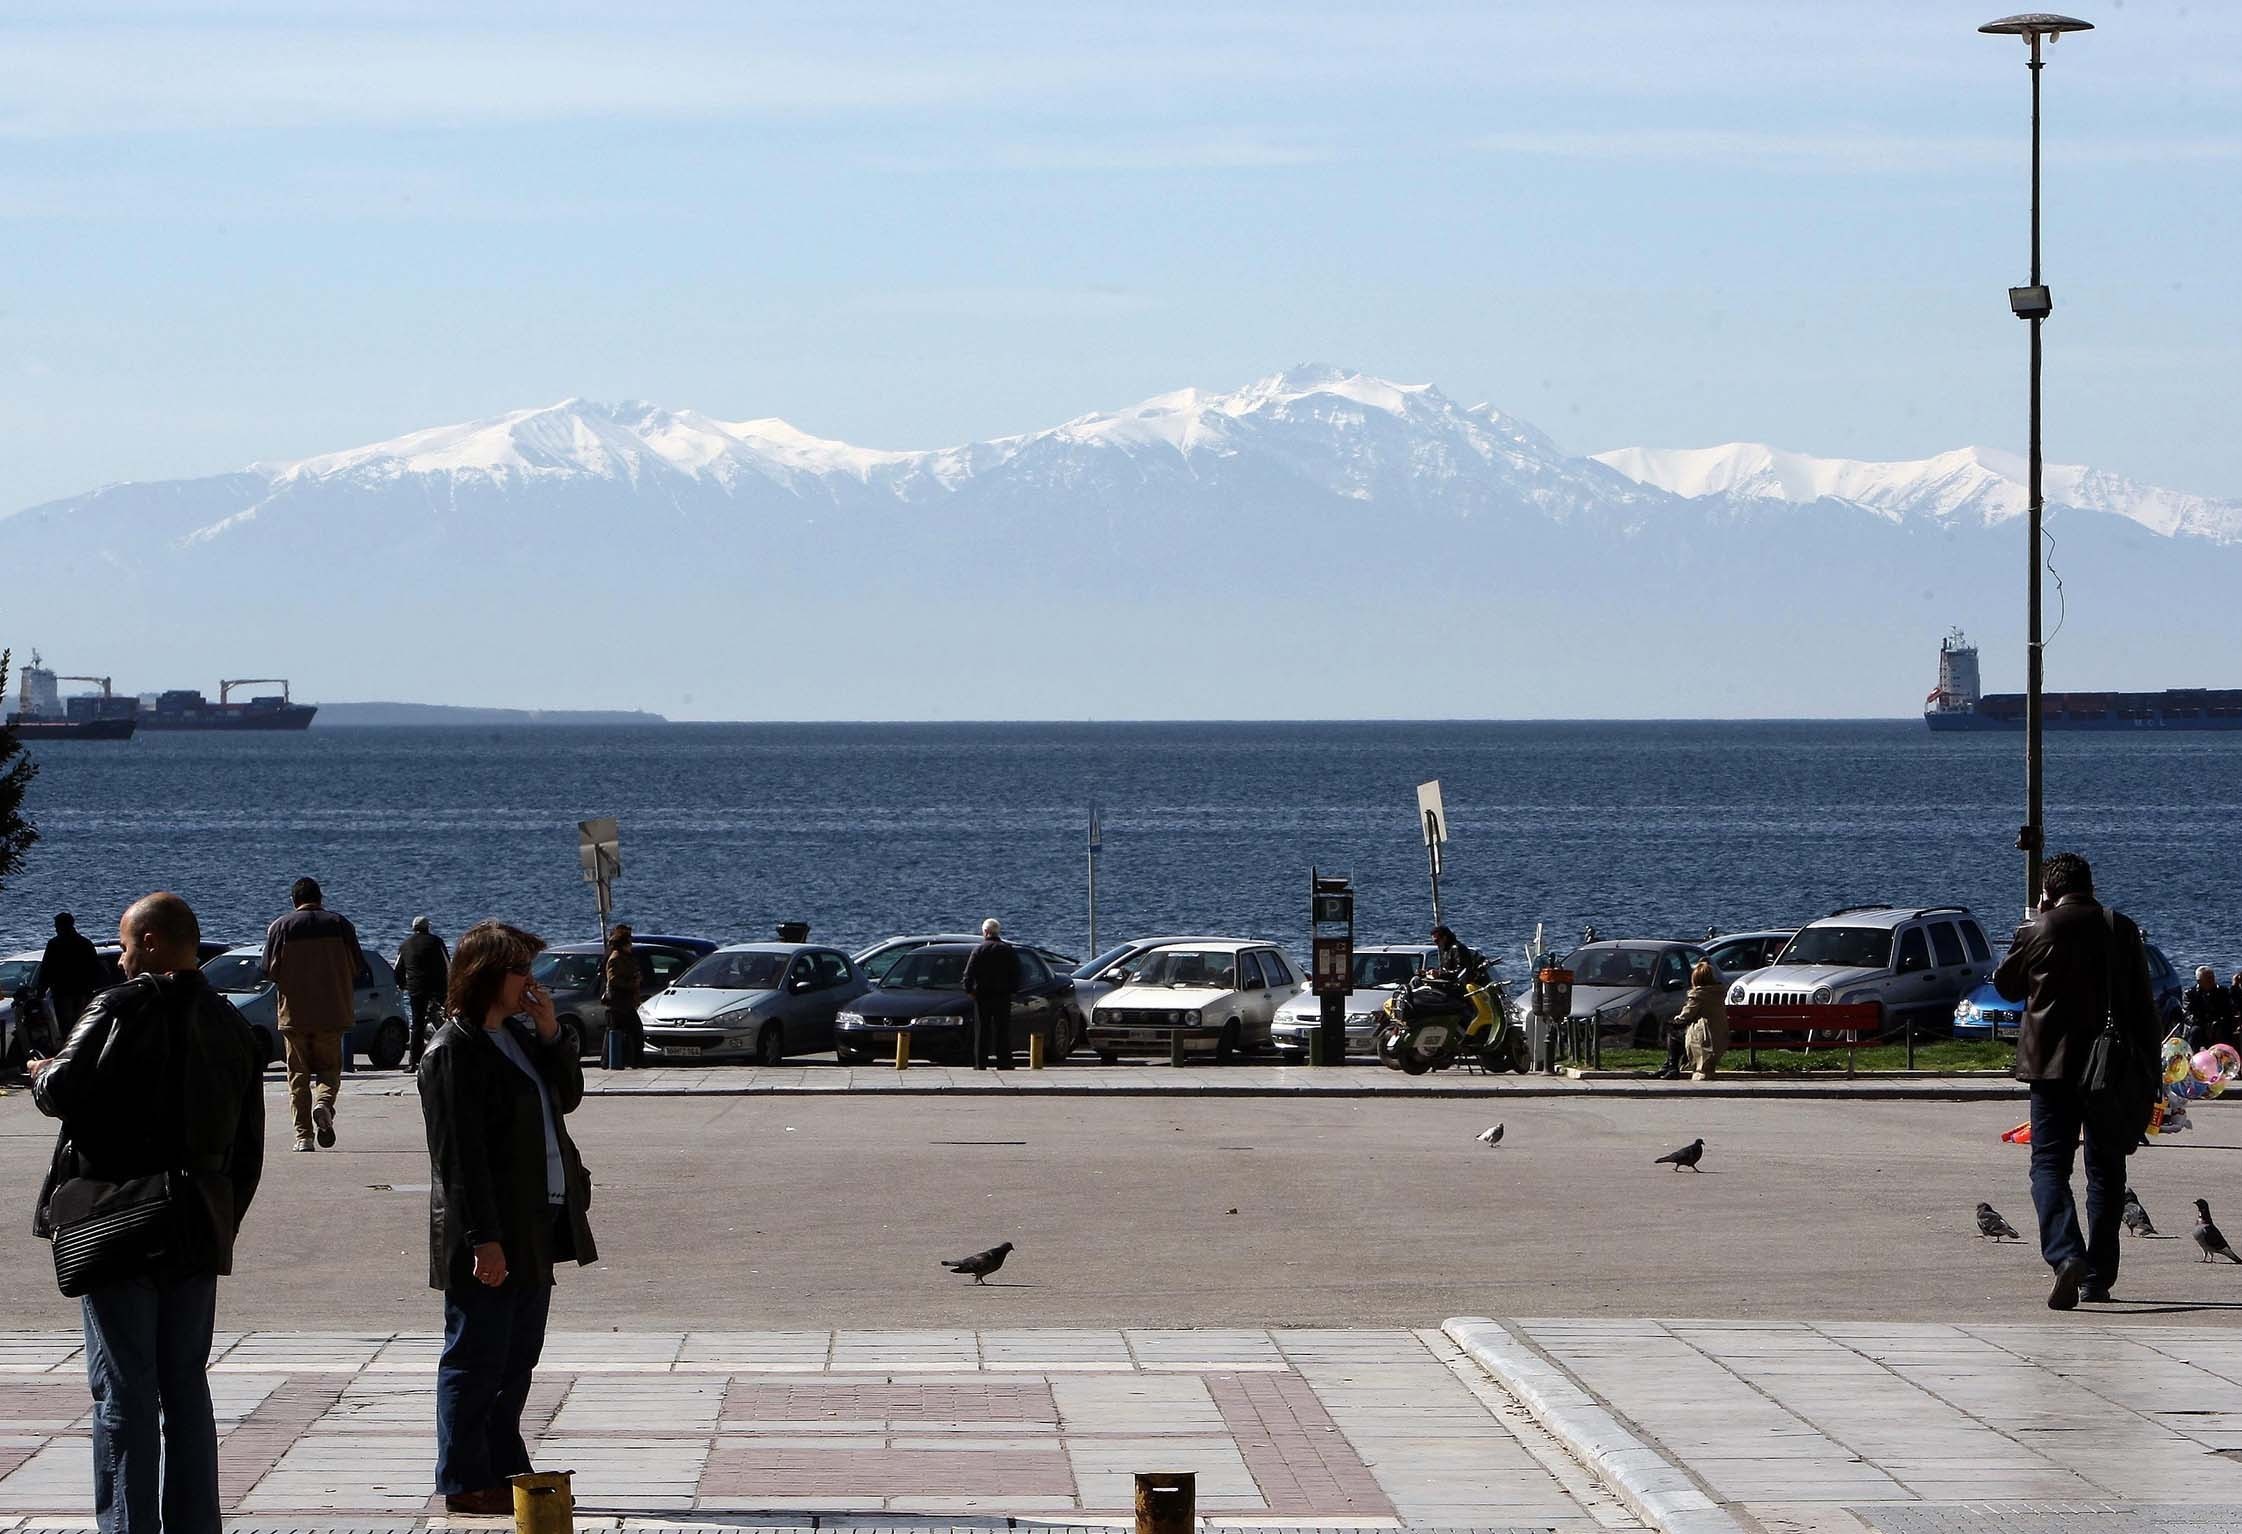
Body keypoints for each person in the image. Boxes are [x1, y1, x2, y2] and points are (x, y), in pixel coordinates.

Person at [31, 892, 265, 1534]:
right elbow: (248, 1148)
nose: (122, 956)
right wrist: (222, 1217)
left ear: (153, 943)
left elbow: (61, 1091)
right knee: (185, 1386)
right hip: (196, 1218)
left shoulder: (116, 1006)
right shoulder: (231, 1023)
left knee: (125, 1390)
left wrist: (39, 1069)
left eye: (127, 944)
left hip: (118, 1219)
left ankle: (130, 1526)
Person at [416, 921, 597, 1516]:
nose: (530, 981)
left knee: (518, 1355)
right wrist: (482, 1240)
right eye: (520, 970)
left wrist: (550, 1034)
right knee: (476, 1357)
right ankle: (465, 1479)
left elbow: (566, 1097)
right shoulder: (452, 1050)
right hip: (490, 1230)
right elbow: (457, 1158)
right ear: (487, 976)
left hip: (535, 1222)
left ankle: (502, 1462)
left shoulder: (518, 1036)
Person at [1992, 851, 2160, 1310]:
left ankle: (2066, 1255)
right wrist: (2154, 1074)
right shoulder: (2120, 928)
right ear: (2090, 884)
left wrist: (2029, 927)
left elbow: (2005, 985)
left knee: (2048, 1167)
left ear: (2048, 891)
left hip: (2051, 1070)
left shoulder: (2039, 929)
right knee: (2105, 1171)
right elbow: (2145, 1008)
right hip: (2112, 1069)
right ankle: (2098, 1279)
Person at [261, 877, 367, 1153]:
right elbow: (357, 966)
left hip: (294, 1015)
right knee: (329, 1071)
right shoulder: (341, 925)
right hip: (332, 1013)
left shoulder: (280, 927)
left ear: (293, 901)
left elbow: (268, 970)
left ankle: (303, 1137)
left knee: (297, 1076)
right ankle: (324, 1104)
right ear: (321, 898)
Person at [961, 918, 1019, 1070]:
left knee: (982, 1030)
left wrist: (970, 991)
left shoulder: (979, 950)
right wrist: (1013, 990)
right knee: (1003, 1029)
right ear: (997, 932)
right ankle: (1004, 1062)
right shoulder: (1007, 949)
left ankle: (980, 1062)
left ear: (985, 932)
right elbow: (1016, 973)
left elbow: (968, 974)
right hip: (1003, 996)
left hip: (983, 996)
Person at [37, 912, 105, 1039]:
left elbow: (46, 969)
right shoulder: (85, 943)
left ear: (61, 926)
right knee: (83, 1024)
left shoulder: (55, 944)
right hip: (83, 991)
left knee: (67, 1026)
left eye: (57, 925)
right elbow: (95, 968)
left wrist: (40, 991)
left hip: (63, 992)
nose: (55, 929)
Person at [395, 918, 451, 1072]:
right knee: (446, 1021)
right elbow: (448, 965)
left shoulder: (405, 945)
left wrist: (402, 985)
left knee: (417, 1025)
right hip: (437, 988)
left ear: (413, 928)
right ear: (428, 928)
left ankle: (414, 1062)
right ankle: (446, 1055)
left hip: (416, 988)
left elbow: (398, 970)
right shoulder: (436, 942)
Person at [1663, 960, 1729, 1081]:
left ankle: (1671, 1067)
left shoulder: (1699, 995)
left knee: (1673, 1032)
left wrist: (1675, 1019)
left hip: (1705, 1036)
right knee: (1681, 1033)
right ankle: (1668, 1066)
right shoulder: (1718, 993)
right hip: (1719, 1034)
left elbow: (1686, 1015)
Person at [599, 926, 642, 1069]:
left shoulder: (624, 956)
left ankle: (615, 1060)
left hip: (624, 1002)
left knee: (615, 1031)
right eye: (629, 941)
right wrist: (632, 982)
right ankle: (630, 1060)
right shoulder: (616, 958)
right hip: (619, 1002)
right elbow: (613, 980)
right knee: (632, 1030)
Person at [2183, 966, 2236, 1050]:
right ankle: (2193, 1056)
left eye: (2212, 978)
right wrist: (2204, 1023)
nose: (2211, 981)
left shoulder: (2223, 991)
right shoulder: (2190, 994)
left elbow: (2229, 1009)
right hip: (2199, 1023)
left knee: (2223, 1029)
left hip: (2218, 1022)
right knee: (2195, 1031)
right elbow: (2188, 1014)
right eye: (2208, 979)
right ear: (2199, 981)